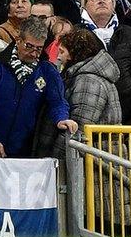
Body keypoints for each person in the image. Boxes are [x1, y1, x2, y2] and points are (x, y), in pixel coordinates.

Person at [0, 16, 77, 159]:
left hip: (27, 149)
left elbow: (58, 102)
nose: (34, 53)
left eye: (39, 48)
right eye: (29, 46)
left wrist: (61, 118)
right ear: (18, 40)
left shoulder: (47, 70)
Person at [37, 28, 121, 158]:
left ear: (73, 53)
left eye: (62, 51)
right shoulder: (85, 77)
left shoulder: (88, 81)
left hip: (94, 169)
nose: (58, 57)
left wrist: (54, 161)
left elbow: (77, 131)